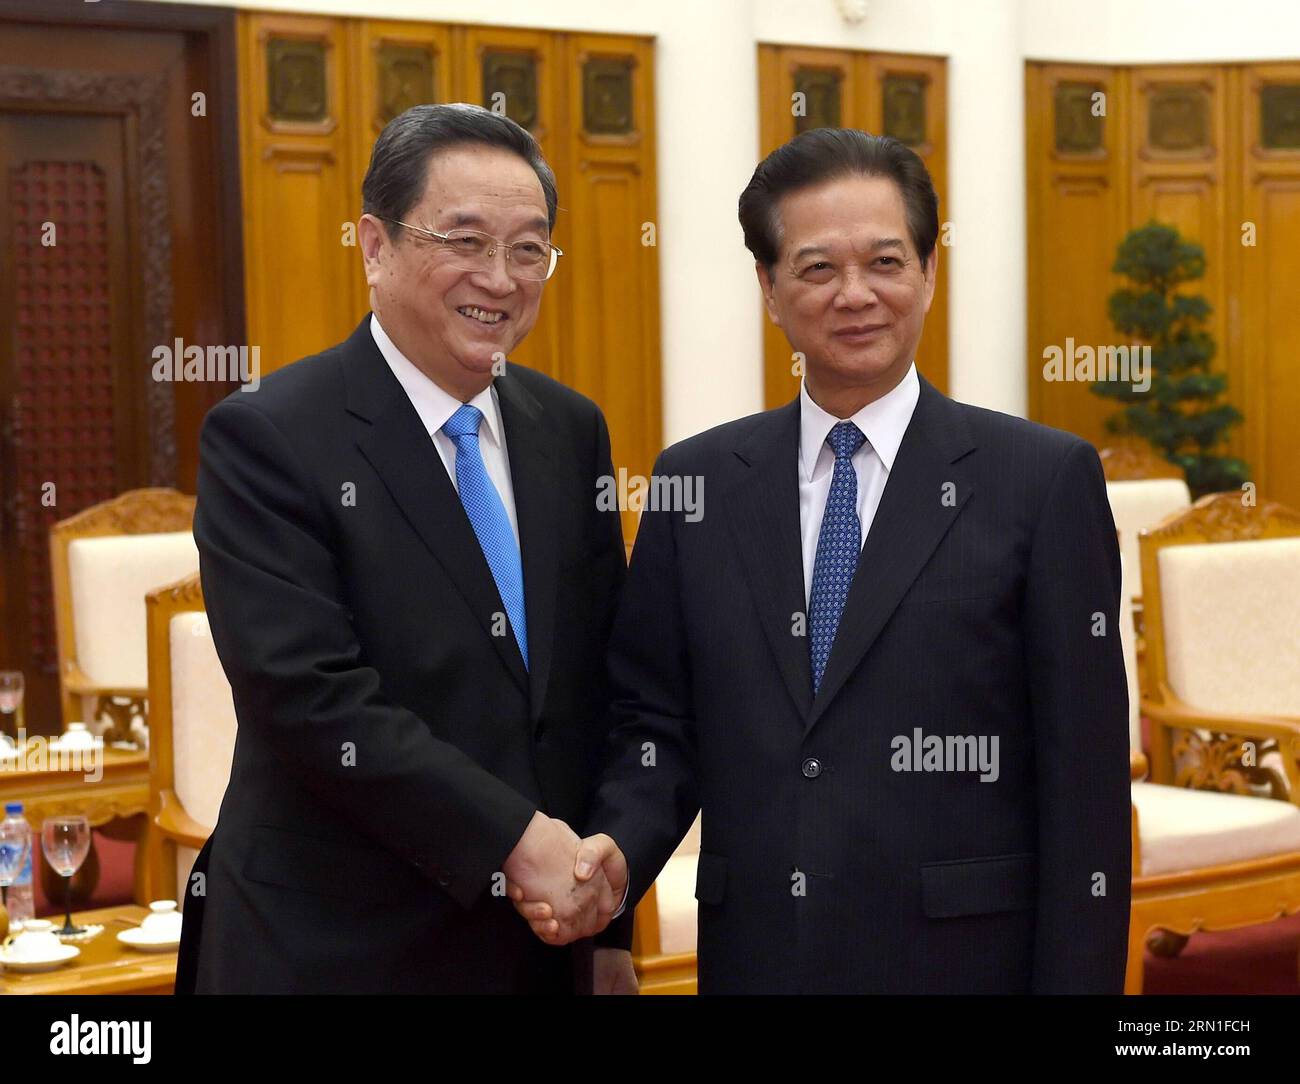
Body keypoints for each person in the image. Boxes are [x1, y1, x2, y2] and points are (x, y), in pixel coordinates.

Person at [516, 128, 1130, 994]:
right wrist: (615, 867)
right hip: (760, 958)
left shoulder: (1040, 480)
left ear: (927, 271)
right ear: (768, 288)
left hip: (965, 963)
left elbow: (1086, 788)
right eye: (816, 269)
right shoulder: (697, 482)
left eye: (885, 261)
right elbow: (656, 722)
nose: (856, 295)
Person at [176, 103, 633, 994]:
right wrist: (513, 839)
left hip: (536, 951)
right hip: (336, 946)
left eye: (529, 248)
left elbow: (596, 692)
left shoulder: (569, 430)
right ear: (374, 245)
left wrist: (610, 924)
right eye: (464, 240)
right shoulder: (268, 435)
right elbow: (309, 699)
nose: (499, 279)